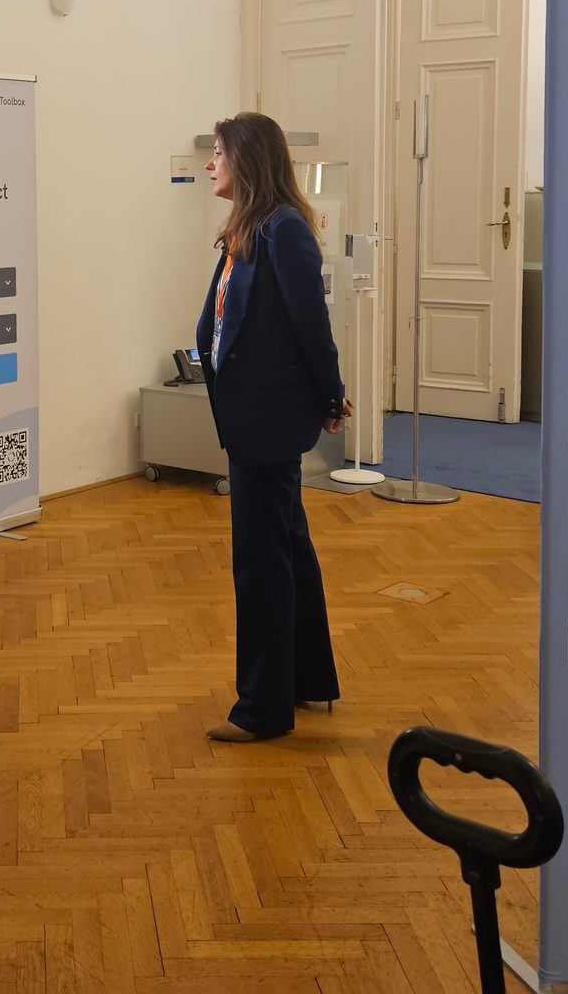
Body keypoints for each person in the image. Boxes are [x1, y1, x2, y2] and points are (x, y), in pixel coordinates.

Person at [194, 113, 352, 743]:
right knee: (287, 548)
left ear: (248, 159)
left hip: (267, 418)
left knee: (260, 565)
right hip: (252, 414)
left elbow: (311, 326)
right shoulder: (249, 229)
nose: (210, 163)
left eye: (219, 152)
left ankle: (263, 709)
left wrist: (331, 395)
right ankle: (306, 677)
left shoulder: (284, 230)